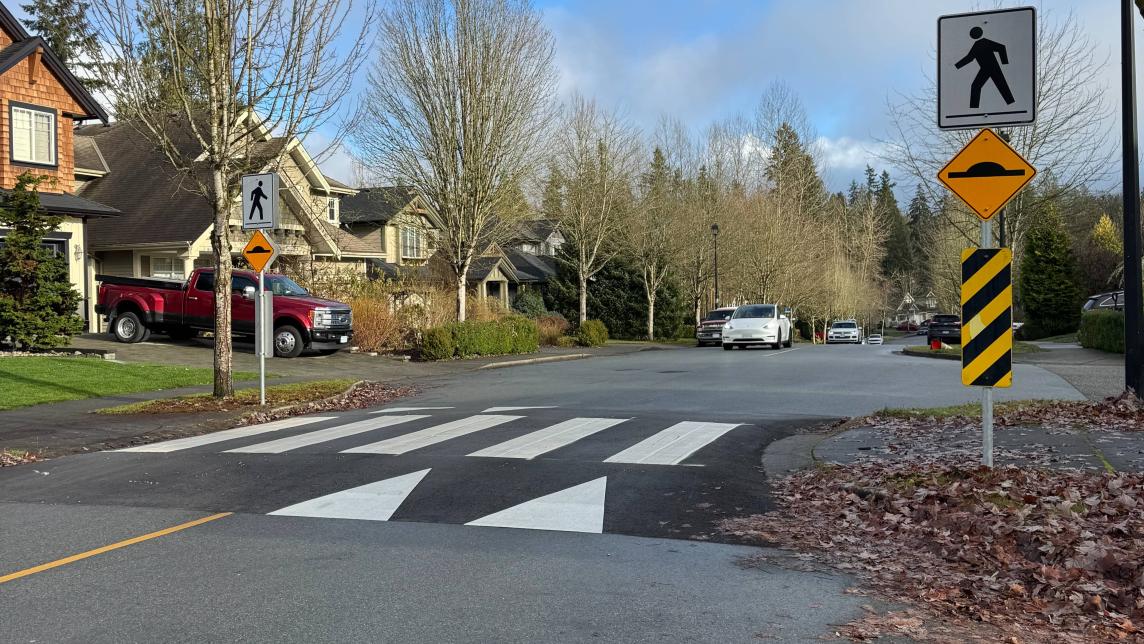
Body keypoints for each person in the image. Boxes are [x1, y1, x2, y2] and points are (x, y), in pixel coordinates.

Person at [954, 26, 1015, 109]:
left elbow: (1001, 48)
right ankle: (974, 109)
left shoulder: (984, 42)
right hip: (986, 68)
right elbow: (970, 58)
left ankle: (1012, 105)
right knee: (977, 86)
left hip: (992, 67)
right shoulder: (978, 44)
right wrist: (956, 66)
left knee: (1001, 85)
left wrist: (1005, 63)